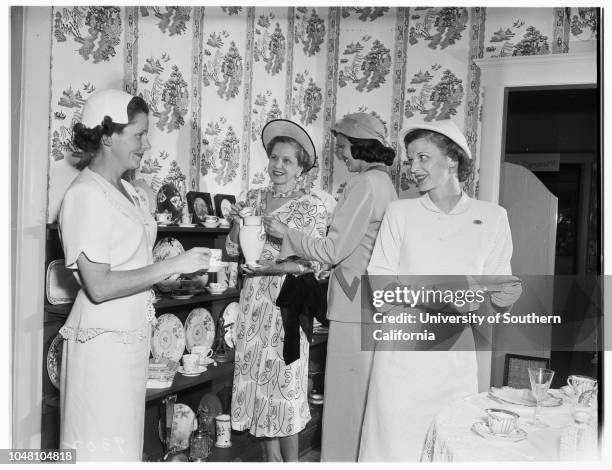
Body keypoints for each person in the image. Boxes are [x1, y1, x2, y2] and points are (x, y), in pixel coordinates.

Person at [58, 89, 210, 461]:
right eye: (139, 134)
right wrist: (173, 265)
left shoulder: (127, 189)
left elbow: (132, 262)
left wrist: (179, 276)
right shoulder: (84, 195)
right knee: (97, 449)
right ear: (107, 136)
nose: (147, 143)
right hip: (102, 345)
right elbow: (98, 285)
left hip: (130, 341)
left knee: (124, 449)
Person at [358, 120, 519, 461]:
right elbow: (380, 286)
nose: (413, 168)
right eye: (410, 159)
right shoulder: (399, 213)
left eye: (423, 157)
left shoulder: (492, 217)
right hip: (400, 360)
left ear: (453, 160)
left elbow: (499, 290)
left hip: (455, 362)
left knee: (448, 449)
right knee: (393, 450)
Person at [263, 113, 397, 461]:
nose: (341, 155)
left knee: (343, 408)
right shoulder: (384, 183)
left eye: (343, 147)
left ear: (361, 146)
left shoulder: (364, 185)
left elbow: (333, 250)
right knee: (358, 403)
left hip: (354, 305)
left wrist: (286, 234)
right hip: (370, 303)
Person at [225, 119, 328, 462]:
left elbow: (311, 263)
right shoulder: (252, 198)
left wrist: (274, 256)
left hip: (287, 305)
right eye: (274, 159)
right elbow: (231, 250)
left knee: (284, 386)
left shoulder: (310, 206)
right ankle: (271, 461)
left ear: (301, 169)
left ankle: (293, 463)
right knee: (257, 384)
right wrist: (236, 226)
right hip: (252, 302)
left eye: (287, 161)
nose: (278, 166)